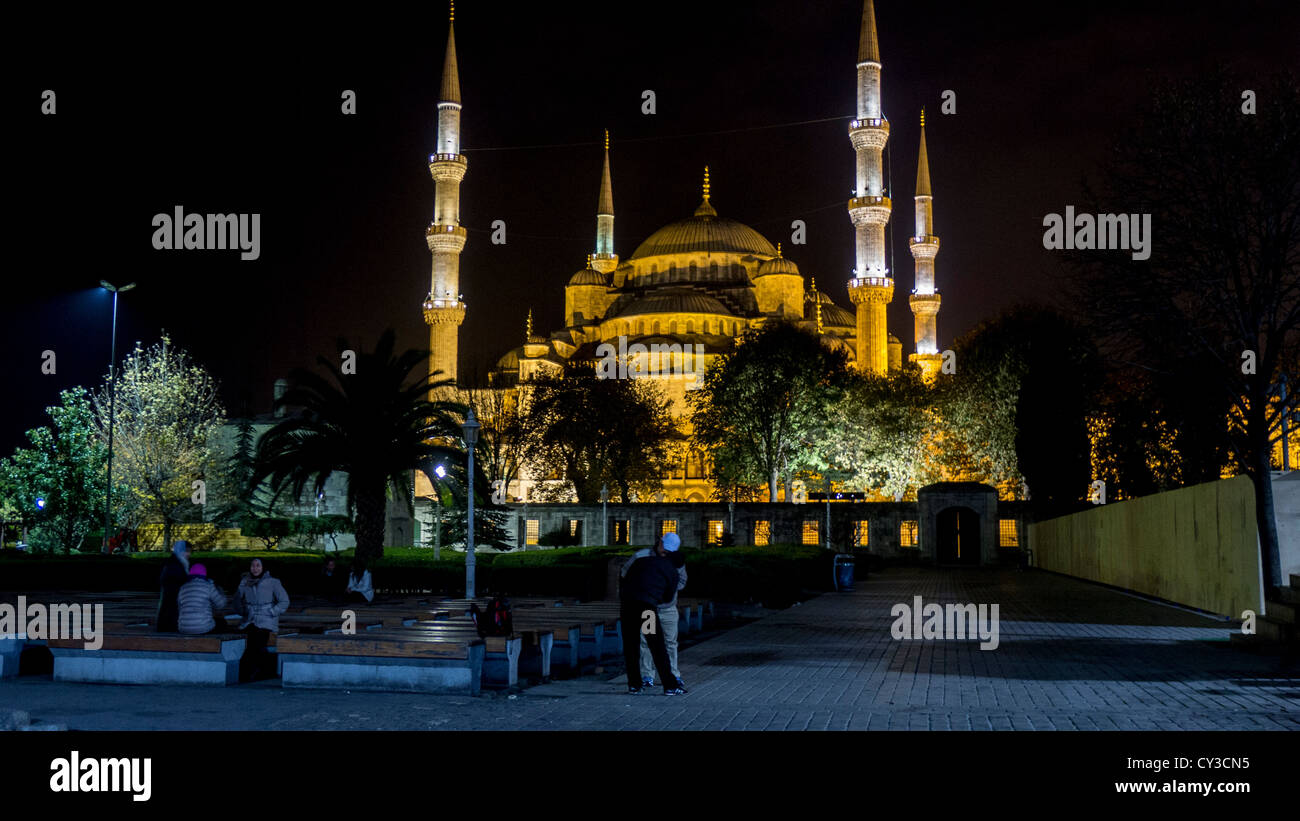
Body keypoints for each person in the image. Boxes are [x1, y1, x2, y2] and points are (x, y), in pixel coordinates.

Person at [622, 533, 689, 691]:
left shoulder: (644, 560)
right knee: (655, 644)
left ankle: (635, 684)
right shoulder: (669, 565)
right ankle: (667, 684)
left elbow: (626, 575)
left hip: (630, 605)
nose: (664, 552)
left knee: (633, 646)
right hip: (647, 608)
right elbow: (669, 592)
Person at [235, 558, 290, 682]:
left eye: (258, 565)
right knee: (252, 639)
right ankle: (258, 672)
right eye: (253, 566)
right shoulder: (244, 582)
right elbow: (237, 599)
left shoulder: (273, 582)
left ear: (263, 567)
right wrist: (243, 611)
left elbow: (284, 601)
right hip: (250, 619)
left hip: (267, 620)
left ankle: (252, 673)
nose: (255, 568)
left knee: (257, 640)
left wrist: (272, 612)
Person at [177, 564, 229, 635]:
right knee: (222, 623)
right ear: (205, 574)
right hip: (203, 627)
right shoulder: (208, 585)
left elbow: (180, 608)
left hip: (183, 628)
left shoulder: (183, 587)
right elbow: (221, 604)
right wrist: (221, 591)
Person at [156, 540, 191, 632]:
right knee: (170, 611)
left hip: (172, 594)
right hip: (173, 593)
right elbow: (180, 578)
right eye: (186, 551)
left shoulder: (176, 561)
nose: (188, 554)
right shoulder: (177, 563)